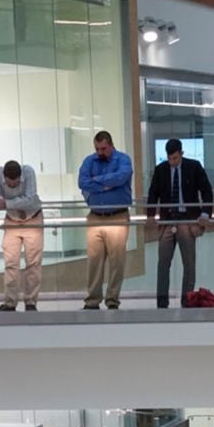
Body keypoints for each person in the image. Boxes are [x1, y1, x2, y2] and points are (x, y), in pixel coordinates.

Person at [146, 139, 214, 309]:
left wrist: (205, 213)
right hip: (167, 220)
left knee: (189, 264)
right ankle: (162, 302)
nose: (172, 162)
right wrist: (150, 215)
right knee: (163, 263)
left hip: (187, 219)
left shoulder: (194, 167)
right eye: (169, 159)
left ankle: (187, 301)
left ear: (181, 154)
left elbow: (207, 190)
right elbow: (153, 193)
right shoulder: (161, 170)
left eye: (175, 158)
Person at [79, 131, 134, 309]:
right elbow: (83, 182)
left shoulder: (123, 160)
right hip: (95, 217)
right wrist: (107, 185)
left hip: (117, 217)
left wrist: (97, 181)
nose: (99, 152)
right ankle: (92, 300)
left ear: (111, 145)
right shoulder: (89, 161)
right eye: (97, 149)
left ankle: (112, 300)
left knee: (117, 261)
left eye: (103, 149)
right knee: (94, 261)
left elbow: (121, 177)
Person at [0, 157, 43, 311]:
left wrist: (6, 203)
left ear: (20, 177)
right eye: (9, 185)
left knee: (33, 264)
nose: (12, 187)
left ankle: (31, 301)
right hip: (12, 221)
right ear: (4, 178)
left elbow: (31, 200)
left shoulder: (29, 172)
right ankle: (10, 302)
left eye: (16, 184)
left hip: (33, 219)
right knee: (10, 263)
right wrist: (18, 202)